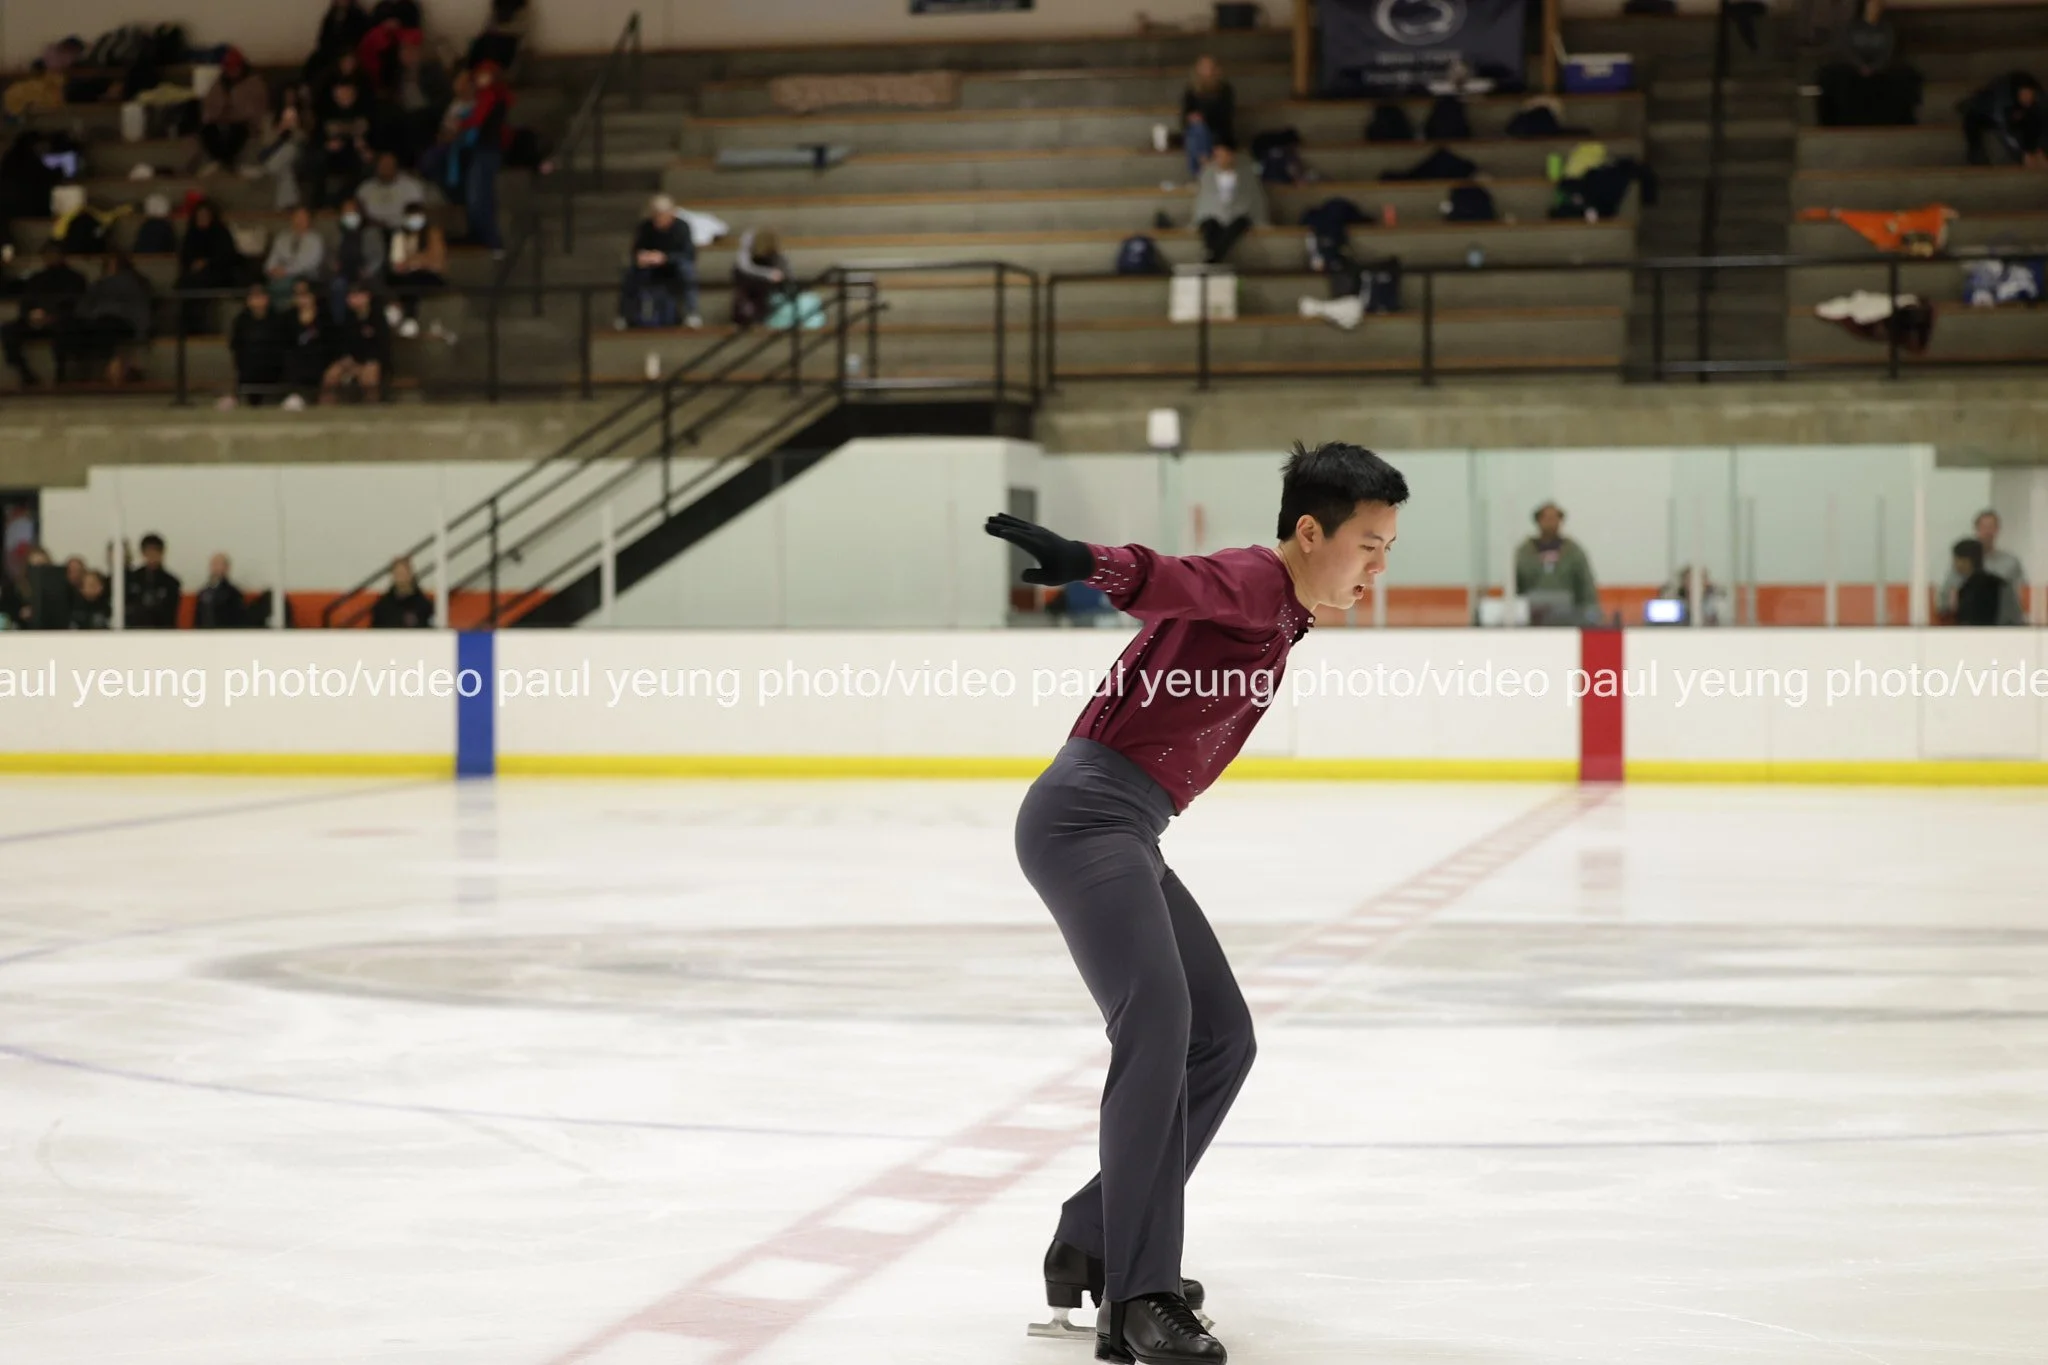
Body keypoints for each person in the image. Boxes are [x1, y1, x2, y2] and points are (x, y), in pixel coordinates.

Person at [985, 442, 1407, 1365]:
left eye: (1388, 548)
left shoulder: (1284, 611)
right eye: (1370, 545)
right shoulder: (1258, 581)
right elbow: (1172, 579)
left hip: (1127, 827)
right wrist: (1086, 562)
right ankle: (1139, 1294)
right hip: (1085, 819)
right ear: (1310, 532)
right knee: (1160, 1021)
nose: (1380, 567)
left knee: (1221, 1036)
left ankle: (1095, 1233)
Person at [60, 253, 152, 385]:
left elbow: (139, 309)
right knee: (71, 327)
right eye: (108, 264)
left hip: (121, 321)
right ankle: (70, 372)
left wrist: (141, 333)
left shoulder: (132, 284)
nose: (111, 267)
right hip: (95, 320)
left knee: (105, 327)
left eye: (114, 264)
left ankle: (102, 372)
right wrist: (88, 316)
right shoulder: (98, 285)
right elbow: (83, 306)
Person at [3, 244, 87, 387]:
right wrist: (30, 315)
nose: (51, 258)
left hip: (61, 320)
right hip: (35, 320)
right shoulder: (36, 279)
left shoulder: (75, 278)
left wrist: (53, 315)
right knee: (8, 330)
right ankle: (26, 374)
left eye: (54, 254)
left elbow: (76, 303)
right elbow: (26, 301)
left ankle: (61, 375)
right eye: (48, 255)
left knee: (66, 329)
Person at [617, 194, 702, 330]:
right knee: (630, 272)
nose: (659, 219)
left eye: (662, 215)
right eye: (656, 215)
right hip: (651, 266)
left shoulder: (682, 227)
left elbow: (688, 254)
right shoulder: (645, 227)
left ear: (671, 214)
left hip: (674, 265)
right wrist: (643, 257)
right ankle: (625, 316)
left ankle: (691, 313)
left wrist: (665, 257)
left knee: (687, 270)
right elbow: (636, 251)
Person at [1511, 501, 1599, 623]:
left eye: (1554, 518)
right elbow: (1514, 586)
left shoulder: (1573, 552)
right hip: (1531, 619)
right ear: (1538, 521)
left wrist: (1590, 616)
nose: (1551, 523)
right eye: (1546, 518)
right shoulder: (1524, 553)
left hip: (1568, 618)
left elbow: (1586, 586)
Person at [458, 60, 512, 251]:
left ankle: (490, 239)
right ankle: (483, 236)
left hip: (486, 150)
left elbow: (476, 119)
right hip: (486, 149)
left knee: (480, 197)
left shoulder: (490, 95)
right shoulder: (494, 96)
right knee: (480, 195)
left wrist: (461, 124)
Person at [1940, 509, 2027, 621]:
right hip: (1969, 618)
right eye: (1984, 527)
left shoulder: (2011, 562)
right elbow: (1946, 597)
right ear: (1976, 529)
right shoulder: (1964, 563)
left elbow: (2021, 594)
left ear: (1997, 529)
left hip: (2003, 620)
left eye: (1991, 527)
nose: (1988, 532)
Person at [198, 47, 271, 175]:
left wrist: (232, 113)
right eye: (228, 69)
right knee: (207, 131)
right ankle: (220, 161)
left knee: (238, 131)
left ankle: (226, 162)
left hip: (243, 124)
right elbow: (209, 107)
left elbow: (254, 110)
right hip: (220, 121)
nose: (231, 72)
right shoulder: (219, 84)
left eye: (234, 68)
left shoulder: (254, 83)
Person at [385, 200, 451, 340]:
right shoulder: (400, 235)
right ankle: (397, 314)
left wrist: (413, 261)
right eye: (411, 216)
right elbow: (397, 263)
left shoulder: (432, 234)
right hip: (406, 276)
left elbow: (437, 262)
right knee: (395, 279)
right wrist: (416, 261)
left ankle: (409, 318)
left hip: (430, 276)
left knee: (413, 280)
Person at [177, 198, 242, 336]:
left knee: (196, 285)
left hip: (218, 273)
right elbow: (185, 256)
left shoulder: (221, 232)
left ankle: (200, 330)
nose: (202, 218)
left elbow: (227, 256)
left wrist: (206, 262)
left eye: (205, 215)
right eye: (200, 215)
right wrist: (193, 264)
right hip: (194, 276)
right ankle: (188, 330)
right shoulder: (191, 233)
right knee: (187, 285)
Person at [1192, 145, 1266, 265]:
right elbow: (1204, 200)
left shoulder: (1246, 175)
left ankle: (1212, 259)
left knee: (1239, 224)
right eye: (1217, 156)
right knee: (1209, 225)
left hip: (1238, 215)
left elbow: (1254, 198)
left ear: (1231, 156)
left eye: (1223, 155)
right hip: (1214, 214)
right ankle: (1213, 257)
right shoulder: (1207, 174)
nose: (1220, 159)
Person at [310, 77, 375, 207]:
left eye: (348, 93)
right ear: (335, 94)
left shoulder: (366, 113)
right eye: (341, 93)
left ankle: (354, 204)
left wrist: (365, 148)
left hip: (356, 155)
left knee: (367, 164)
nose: (345, 96)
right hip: (331, 157)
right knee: (318, 160)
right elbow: (315, 139)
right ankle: (321, 206)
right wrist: (327, 145)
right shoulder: (325, 114)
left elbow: (374, 137)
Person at [1959, 71, 2045, 167]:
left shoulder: (2038, 103)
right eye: (2024, 94)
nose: (2028, 98)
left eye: (2030, 94)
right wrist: (2022, 155)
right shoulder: (2002, 101)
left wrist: (2040, 149)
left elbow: (2041, 124)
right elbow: (2005, 131)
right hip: (1983, 113)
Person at [225, 282, 289, 408]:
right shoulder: (241, 320)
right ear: (248, 300)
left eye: (261, 296)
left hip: (274, 366)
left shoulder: (278, 319)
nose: (258, 301)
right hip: (249, 368)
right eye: (254, 297)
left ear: (267, 298)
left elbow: (284, 345)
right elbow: (236, 346)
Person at [324, 282, 391, 401]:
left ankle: (372, 406)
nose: (352, 299)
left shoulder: (378, 317)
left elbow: (382, 346)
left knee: (369, 380)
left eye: (357, 295)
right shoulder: (347, 318)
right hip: (351, 359)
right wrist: (346, 357)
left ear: (367, 296)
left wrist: (367, 362)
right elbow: (342, 342)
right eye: (350, 295)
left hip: (372, 360)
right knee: (331, 377)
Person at [1180, 56, 1236, 180]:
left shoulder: (1225, 91)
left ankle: (1201, 170)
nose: (1207, 71)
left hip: (1218, 134)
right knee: (1197, 129)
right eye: (1204, 68)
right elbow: (1184, 119)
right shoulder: (1191, 91)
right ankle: (1204, 164)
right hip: (1197, 134)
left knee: (1198, 131)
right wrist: (1192, 118)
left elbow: (1225, 119)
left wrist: (1203, 118)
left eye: (1210, 67)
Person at [331, 195, 387, 318]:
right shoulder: (338, 233)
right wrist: (334, 264)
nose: (348, 215)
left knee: (364, 289)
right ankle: (340, 323)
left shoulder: (371, 232)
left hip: (367, 273)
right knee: (337, 286)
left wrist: (367, 270)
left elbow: (378, 256)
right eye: (346, 212)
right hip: (344, 273)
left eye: (352, 212)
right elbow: (332, 254)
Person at [1950, 538, 2024, 626]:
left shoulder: (1967, 589)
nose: (1954, 564)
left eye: (1956, 559)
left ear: (1967, 561)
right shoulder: (2001, 583)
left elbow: (1967, 621)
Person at [281, 280, 330, 410]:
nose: (302, 299)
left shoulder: (324, 316)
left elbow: (330, 343)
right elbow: (286, 344)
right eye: (298, 295)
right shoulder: (288, 317)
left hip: (321, 361)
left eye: (305, 295)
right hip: (296, 363)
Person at [730, 228, 790, 327]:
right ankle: (746, 315)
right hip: (748, 280)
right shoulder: (747, 245)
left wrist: (780, 275)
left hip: (766, 283)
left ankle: (764, 316)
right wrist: (768, 274)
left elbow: (785, 268)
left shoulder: (774, 254)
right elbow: (744, 267)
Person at [265, 204, 326, 297]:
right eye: (297, 217)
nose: (299, 221)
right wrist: (271, 269)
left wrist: (286, 271)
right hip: (280, 276)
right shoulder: (282, 237)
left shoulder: (316, 240)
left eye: (303, 217)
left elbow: (309, 264)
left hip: (305, 276)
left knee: (283, 286)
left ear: (309, 220)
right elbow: (273, 257)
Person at [124, 533, 183, 629]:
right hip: (135, 630)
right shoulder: (131, 578)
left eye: (156, 552)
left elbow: (171, 614)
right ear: (143, 553)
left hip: (162, 631)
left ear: (162, 553)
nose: (152, 556)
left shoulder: (171, 582)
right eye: (148, 552)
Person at [357, 150, 426, 232]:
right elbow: (360, 214)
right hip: (374, 229)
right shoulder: (365, 188)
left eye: (389, 164)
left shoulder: (411, 186)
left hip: (404, 229)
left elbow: (417, 213)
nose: (386, 168)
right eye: (383, 165)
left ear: (396, 166)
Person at [308, 0, 373, 82]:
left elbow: (361, 39)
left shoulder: (359, 16)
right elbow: (323, 39)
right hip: (331, 53)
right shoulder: (331, 15)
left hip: (350, 53)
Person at [372, 554, 434, 626]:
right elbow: (375, 631)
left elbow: (430, 630)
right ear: (393, 575)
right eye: (398, 573)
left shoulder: (424, 605)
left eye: (404, 572)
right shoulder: (382, 606)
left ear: (411, 574)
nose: (401, 577)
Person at [194, 553, 250, 627]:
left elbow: (239, 619)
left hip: (225, 631)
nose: (216, 568)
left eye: (219, 564)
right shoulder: (203, 593)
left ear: (227, 567)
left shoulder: (234, 594)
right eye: (214, 564)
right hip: (204, 632)